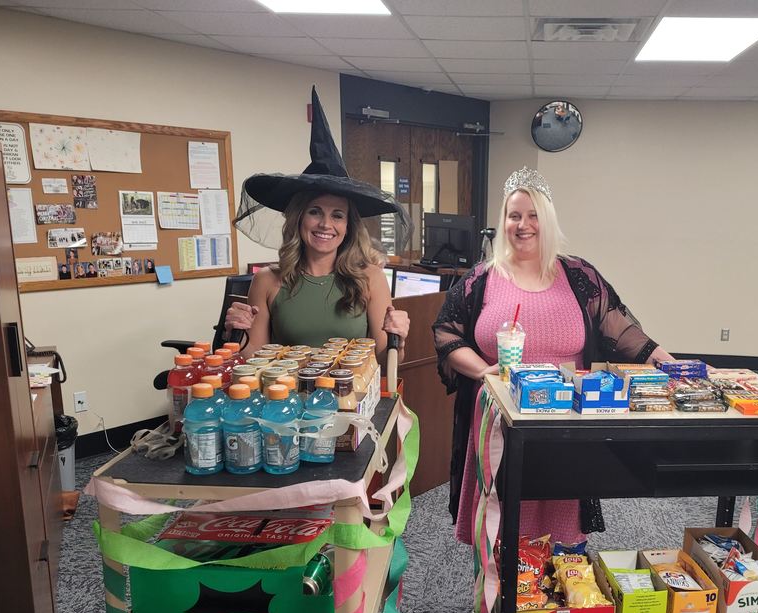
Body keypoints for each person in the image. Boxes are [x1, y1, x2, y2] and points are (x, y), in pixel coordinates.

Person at [433, 166, 675, 547]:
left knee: (561, 521)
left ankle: (561, 600)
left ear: (548, 220)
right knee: (501, 521)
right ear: (504, 221)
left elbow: (622, 331)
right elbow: (447, 332)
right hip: (502, 417)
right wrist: (483, 371)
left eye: (533, 216)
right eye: (514, 216)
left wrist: (672, 365)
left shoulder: (579, 276)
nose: (523, 225)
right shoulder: (481, 279)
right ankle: (497, 601)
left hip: (565, 419)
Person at [224, 87, 410, 364]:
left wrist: (399, 338)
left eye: (338, 215)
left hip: (349, 400)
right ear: (298, 218)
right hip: (286, 402)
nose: (326, 224)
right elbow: (254, 358)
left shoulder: (370, 278)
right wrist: (235, 334)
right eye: (315, 212)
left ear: (348, 225)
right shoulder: (266, 281)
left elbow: (384, 362)